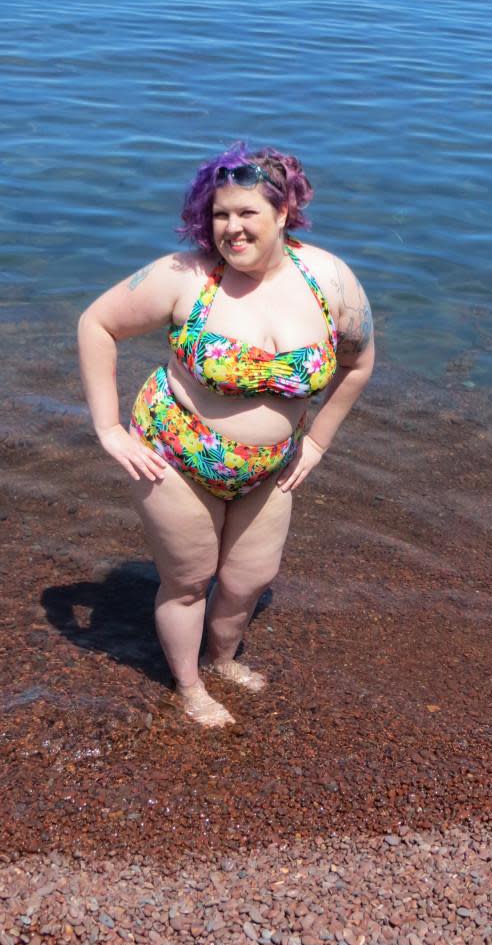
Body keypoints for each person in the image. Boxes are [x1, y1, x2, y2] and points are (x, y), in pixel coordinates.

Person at [78, 143, 374, 727]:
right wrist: (109, 428)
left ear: (283, 213)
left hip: (272, 465)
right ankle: (188, 687)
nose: (231, 229)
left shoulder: (329, 280)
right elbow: (97, 324)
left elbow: (358, 362)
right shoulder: (185, 276)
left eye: (247, 214)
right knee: (188, 581)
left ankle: (221, 659)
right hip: (175, 454)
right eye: (220, 215)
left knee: (249, 579)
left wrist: (317, 444)